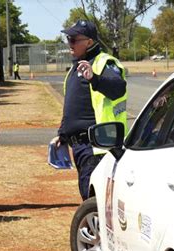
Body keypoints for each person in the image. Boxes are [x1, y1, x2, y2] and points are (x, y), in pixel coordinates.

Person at [50, 20, 128, 200]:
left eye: (74, 39)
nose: (69, 43)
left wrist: (95, 78)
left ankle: (96, 228)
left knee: (94, 201)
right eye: (68, 39)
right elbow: (72, 106)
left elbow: (118, 88)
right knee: (88, 196)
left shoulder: (104, 63)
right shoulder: (75, 68)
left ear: (89, 42)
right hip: (79, 147)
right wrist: (62, 134)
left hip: (96, 147)